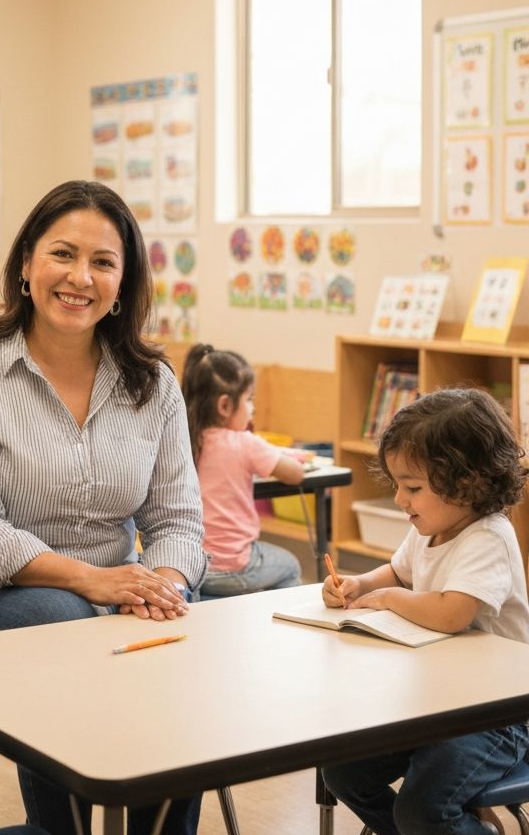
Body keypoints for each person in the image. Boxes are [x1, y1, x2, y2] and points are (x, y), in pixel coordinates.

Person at [0, 179, 208, 835]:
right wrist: (93, 581)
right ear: (26, 264)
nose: (81, 278)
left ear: (123, 283)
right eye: (63, 254)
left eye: (103, 262)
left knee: (176, 634)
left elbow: (178, 519)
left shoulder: (154, 383)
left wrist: (161, 586)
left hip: (110, 598)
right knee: (62, 621)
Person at [321, 387, 529, 835]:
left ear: (468, 482)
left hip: (497, 718)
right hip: (437, 703)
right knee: (343, 772)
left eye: (413, 488)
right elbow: (399, 574)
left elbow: (452, 612)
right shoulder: (430, 527)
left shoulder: (488, 537)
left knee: (421, 809)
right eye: (398, 485)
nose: (400, 499)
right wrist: (360, 584)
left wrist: (385, 598)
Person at [181, 343, 305, 598]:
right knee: (290, 565)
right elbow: (295, 474)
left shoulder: (184, 441)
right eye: (249, 399)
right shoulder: (244, 443)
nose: (252, 408)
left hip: (190, 567)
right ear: (225, 406)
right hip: (233, 565)